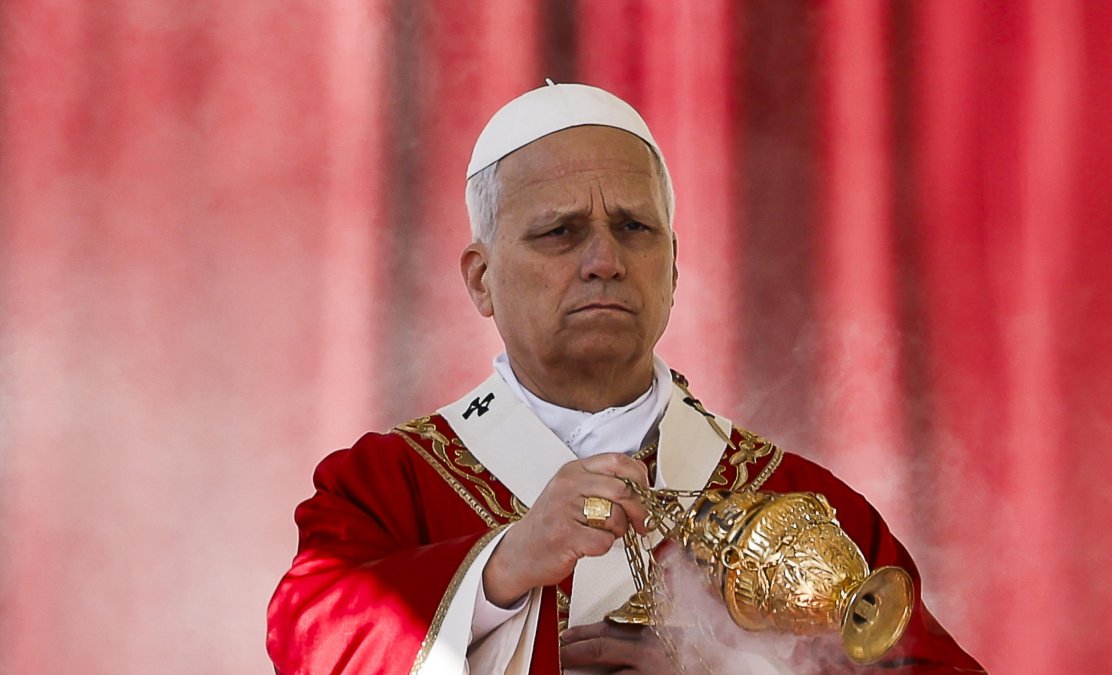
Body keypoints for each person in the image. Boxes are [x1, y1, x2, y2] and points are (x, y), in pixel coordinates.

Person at [266, 82, 985, 674]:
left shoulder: (801, 502)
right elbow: (312, 639)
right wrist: (502, 568)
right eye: (561, 231)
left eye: (635, 228)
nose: (604, 259)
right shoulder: (386, 486)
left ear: (673, 268)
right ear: (481, 279)